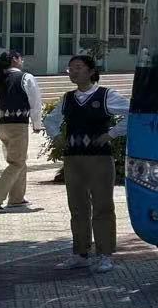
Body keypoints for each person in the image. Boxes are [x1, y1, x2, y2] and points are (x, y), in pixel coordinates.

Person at [43, 56, 128, 273]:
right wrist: (57, 136)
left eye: (78, 68)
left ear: (91, 71)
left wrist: (111, 134)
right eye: (70, 69)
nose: (73, 72)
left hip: (99, 158)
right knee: (77, 206)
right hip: (73, 158)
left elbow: (132, 113)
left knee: (102, 206)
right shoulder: (68, 98)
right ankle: (80, 253)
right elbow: (50, 120)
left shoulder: (106, 95)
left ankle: (105, 254)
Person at [0, 50, 42, 212]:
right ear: (15, 59)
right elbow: (35, 103)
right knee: (17, 163)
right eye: (20, 58)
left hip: (3, 124)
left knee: (19, 160)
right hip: (18, 125)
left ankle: (17, 198)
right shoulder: (26, 77)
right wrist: (37, 123)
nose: (22, 60)